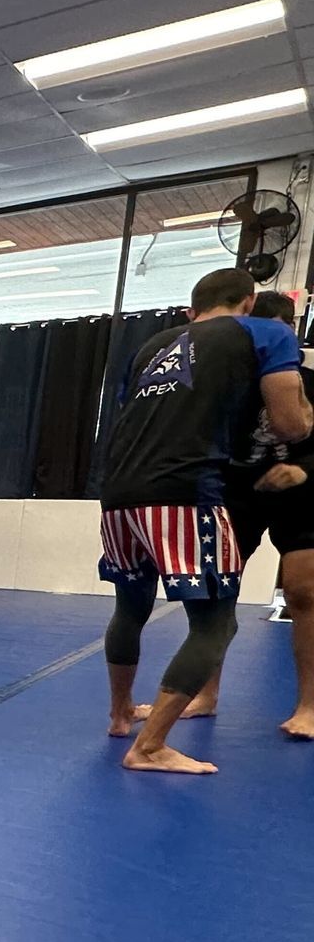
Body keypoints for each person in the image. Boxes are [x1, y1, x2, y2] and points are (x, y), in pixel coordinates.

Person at [98, 267, 311, 773]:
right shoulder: (266, 332)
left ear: (194, 307)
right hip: (185, 492)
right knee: (216, 623)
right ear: (247, 301)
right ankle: (148, 747)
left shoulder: (152, 346)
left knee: (131, 607)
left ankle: (120, 714)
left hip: (119, 493)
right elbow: (289, 425)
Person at [202, 289, 314, 737]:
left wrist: (303, 471)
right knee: (216, 591)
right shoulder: (230, 387)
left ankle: (308, 705)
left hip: (303, 492)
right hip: (239, 491)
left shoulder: (309, 381)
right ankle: (204, 693)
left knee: (306, 592)